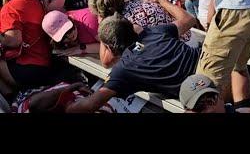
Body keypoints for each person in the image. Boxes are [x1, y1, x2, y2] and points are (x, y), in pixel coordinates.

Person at [64, 6, 198, 113]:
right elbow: (189, 19)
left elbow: (91, 104)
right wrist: (160, 0)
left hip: (199, 90)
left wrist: (68, 107)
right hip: (208, 61)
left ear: (110, 49)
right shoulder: (156, 31)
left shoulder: (124, 69)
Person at [0, 0, 52, 96]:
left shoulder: (10, 8)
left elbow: (13, 41)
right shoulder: (35, 1)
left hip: (24, 69)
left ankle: (10, 98)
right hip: (44, 67)